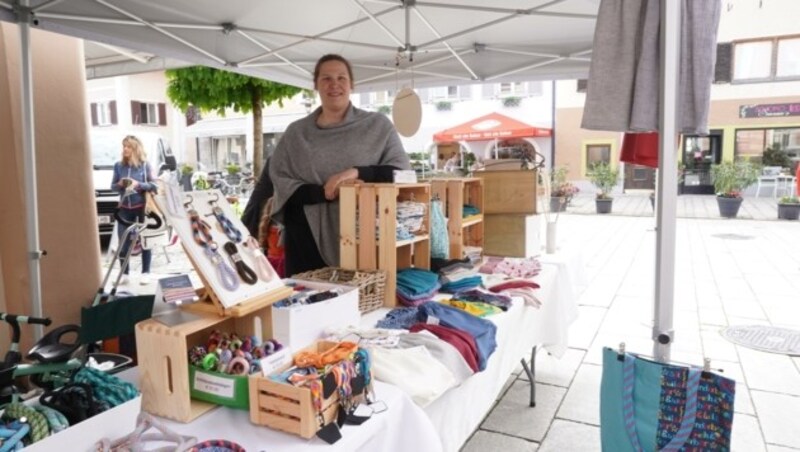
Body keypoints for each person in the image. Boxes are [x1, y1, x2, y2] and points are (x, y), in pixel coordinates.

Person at [270, 54, 411, 276]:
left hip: (363, 235)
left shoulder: (377, 125)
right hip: (305, 238)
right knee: (307, 305)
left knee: (361, 303)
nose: (334, 84)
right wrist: (324, 192)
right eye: (326, 78)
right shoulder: (296, 133)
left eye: (341, 78)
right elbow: (280, 180)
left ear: (352, 84)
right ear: (316, 85)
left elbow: (403, 174)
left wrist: (357, 173)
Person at [111, 135, 158, 285]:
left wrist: (138, 184)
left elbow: (154, 185)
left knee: (145, 241)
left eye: (128, 146)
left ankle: (146, 272)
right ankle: (124, 274)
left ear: (135, 149)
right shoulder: (118, 166)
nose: (125, 149)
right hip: (124, 209)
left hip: (142, 209)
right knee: (123, 242)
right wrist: (119, 184)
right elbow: (112, 187)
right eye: (124, 146)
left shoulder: (145, 166)